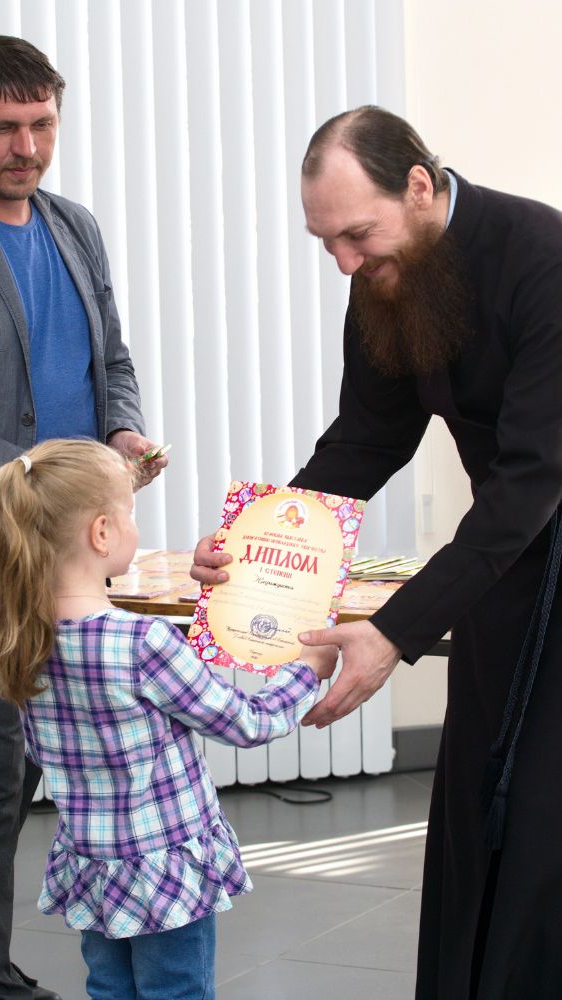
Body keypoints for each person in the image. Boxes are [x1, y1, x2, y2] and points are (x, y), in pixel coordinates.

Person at [192, 105, 562, 999]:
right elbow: (365, 439)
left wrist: (392, 631)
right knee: (476, 800)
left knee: (540, 817)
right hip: (503, 559)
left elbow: (528, 479)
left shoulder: (543, 259)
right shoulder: (387, 277)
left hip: (527, 530)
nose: (345, 263)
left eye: (356, 235)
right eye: (327, 243)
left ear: (419, 186)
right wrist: (258, 553)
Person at [0, 36, 168, 1000]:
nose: (27, 147)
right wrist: (29, 473)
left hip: (65, 558)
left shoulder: (73, 226)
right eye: (4, 127)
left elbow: (111, 359)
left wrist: (122, 431)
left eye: (42, 124)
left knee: (29, 762)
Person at [0, 438, 336, 1000]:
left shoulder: (18, 635)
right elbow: (246, 722)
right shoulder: (144, 641)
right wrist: (307, 672)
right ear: (101, 533)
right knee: (176, 989)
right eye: (130, 512)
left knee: (109, 987)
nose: (134, 526)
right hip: (165, 864)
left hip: (92, 860)